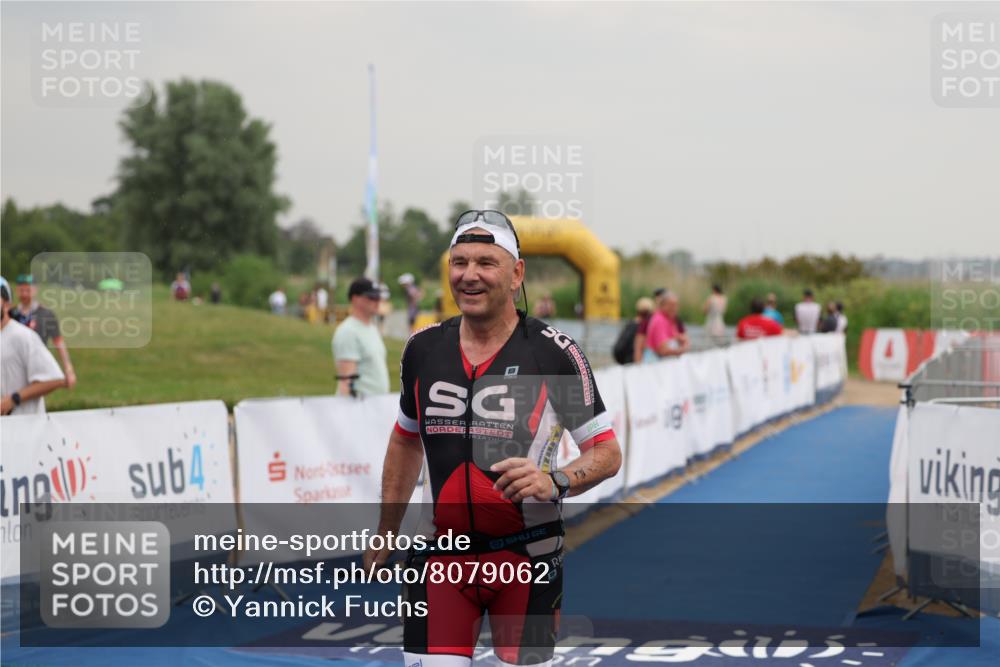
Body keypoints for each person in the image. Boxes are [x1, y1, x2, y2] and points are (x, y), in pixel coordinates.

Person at [364, 209, 622, 667]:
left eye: (486, 262)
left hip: (527, 559)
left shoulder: (554, 352)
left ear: (517, 273)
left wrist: (556, 481)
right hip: (439, 560)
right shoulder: (422, 349)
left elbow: (606, 452)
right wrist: (386, 529)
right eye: (459, 262)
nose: (469, 275)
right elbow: (406, 440)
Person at [1, 276, 67, 416]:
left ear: (7, 304)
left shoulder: (23, 336)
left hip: (25, 428)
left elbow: (53, 379)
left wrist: (14, 398)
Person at [9, 274, 77, 388]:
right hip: (15, 365)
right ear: (17, 291)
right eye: (21, 290)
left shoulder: (46, 314)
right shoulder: (11, 314)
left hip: (37, 365)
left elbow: (58, 341)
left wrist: (68, 369)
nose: (25, 294)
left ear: (35, 290)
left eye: (28, 290)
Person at [332, 277, 389, 398]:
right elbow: (346, 381)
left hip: (375, 406)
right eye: (372, 297)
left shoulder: (371, 328)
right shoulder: (348, 331)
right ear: (355, 299)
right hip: (359, 408)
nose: (377, 301)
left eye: (378, 297)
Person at [644, 290, 690, 361]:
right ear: (662, 306)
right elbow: (663, 350)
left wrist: (680, 340)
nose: (674, 308)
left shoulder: (670, 319)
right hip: (655, 364)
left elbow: (682, 338)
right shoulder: (659, 320)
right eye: (671, 305)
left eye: (676, 305)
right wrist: (683, 349)